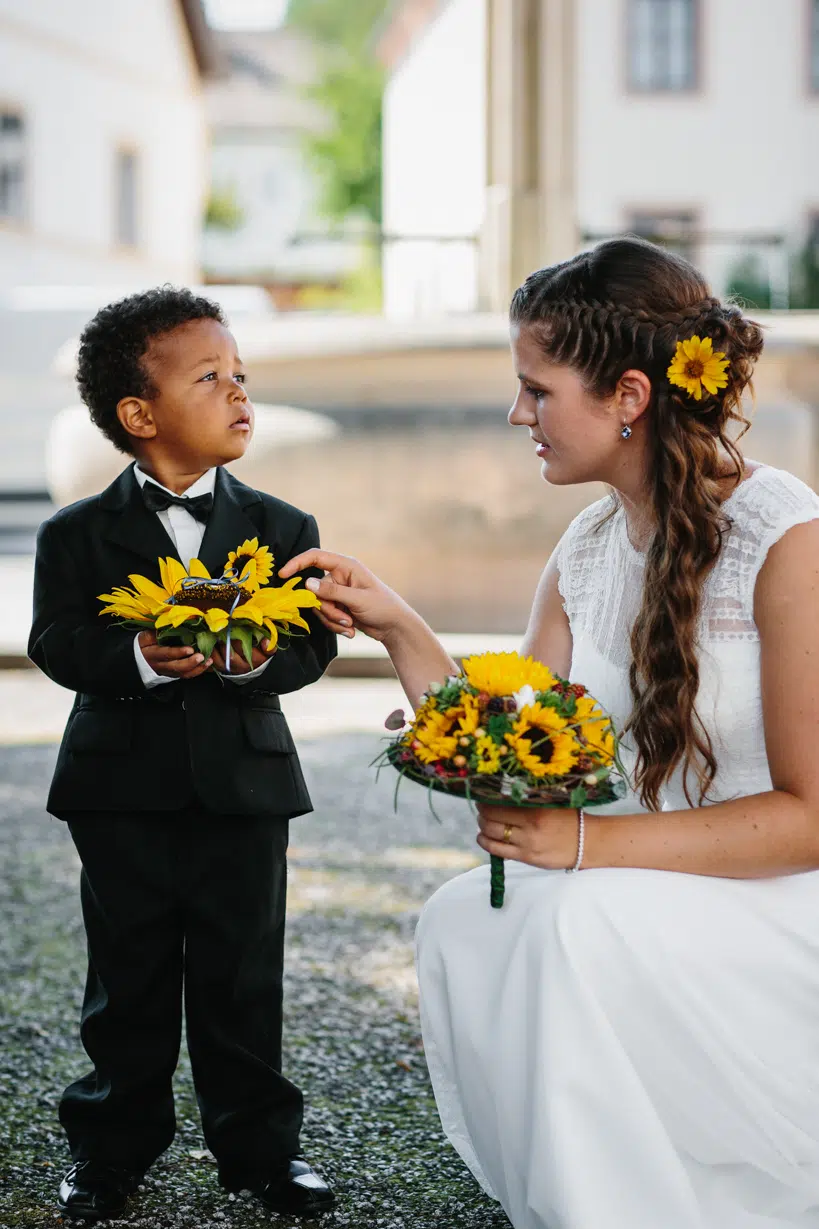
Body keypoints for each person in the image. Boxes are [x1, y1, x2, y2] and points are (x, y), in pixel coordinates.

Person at [281, 238, 819, 1228]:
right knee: (464, 913)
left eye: (536, 388)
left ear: (627, 394)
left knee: (574, 919)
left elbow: (812, 816)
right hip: (650, 880)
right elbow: (520, 731)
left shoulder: (785, 538)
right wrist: (399, 622)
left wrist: (587, 844)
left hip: (784, 893)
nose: (517, 414)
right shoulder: (586, 548)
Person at [28, 287, 337, 1223]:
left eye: (241, 375)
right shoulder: (73, 533)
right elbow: (54, 641)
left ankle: (260, 1152)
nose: (239, 392)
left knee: (244, 973)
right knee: (128, 976)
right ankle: (111, 1149)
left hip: (245, 787)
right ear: (140, 413)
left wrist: (256, 659)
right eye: (211, 378)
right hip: (118, 789)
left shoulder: (284, 528)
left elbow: (312, 646)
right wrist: (134, 658)